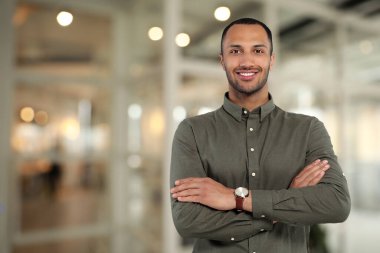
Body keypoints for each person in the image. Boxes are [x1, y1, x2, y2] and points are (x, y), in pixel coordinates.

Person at [170, 17, 350, 253]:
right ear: (222, 61)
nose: (247, 61)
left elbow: (336, 203)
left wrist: (236, 199)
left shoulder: (308, 130)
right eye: (236, 51)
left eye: (258, 50)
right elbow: (188, 220)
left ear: (271, 59)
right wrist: (282, 206)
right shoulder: (192, 131)